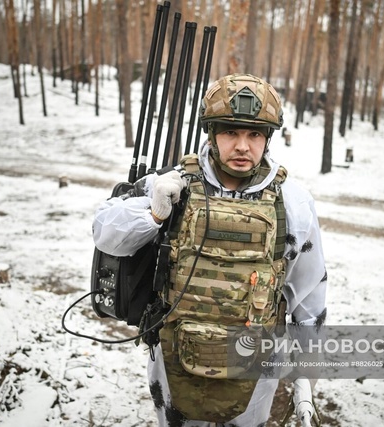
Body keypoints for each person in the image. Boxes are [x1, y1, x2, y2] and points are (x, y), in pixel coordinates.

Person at [92, 73, 327, 426]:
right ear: (211, 133)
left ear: (268, 137)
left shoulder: (292, 203)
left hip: (256, 362)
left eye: (254, 134)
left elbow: (309, 296)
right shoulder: (172, 184)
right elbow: (105, 235)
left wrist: (305, 383)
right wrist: (154, 212)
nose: (243, 146)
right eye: (230, 132)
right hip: (175, 356)